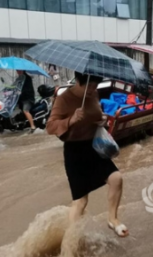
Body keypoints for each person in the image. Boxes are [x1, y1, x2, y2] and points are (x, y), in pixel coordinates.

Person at [46, 71, 129, 238]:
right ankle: (71, 241)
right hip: (74, 152)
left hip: (94, 147)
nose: (92, 90)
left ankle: (112, 218)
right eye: (89, 86)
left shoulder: (93, 95)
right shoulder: (63, 99)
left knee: (116, 179)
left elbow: (96, 114)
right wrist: (71, 120)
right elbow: (50, 126)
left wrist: (103, 120)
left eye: (95, 86)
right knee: (81, 201)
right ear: (78, 81)